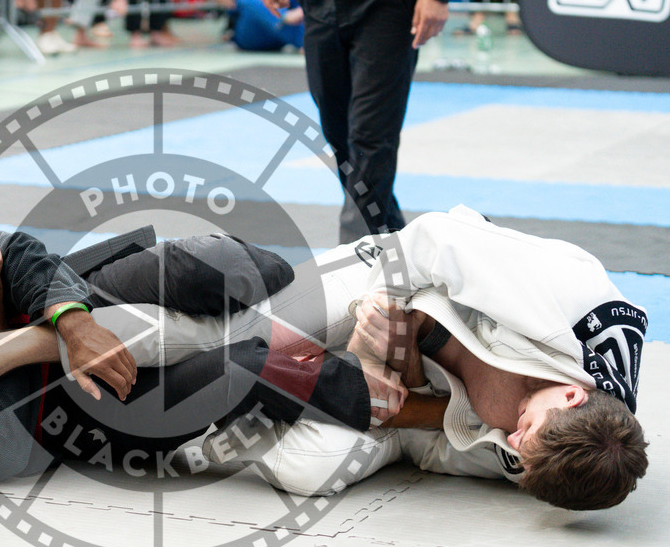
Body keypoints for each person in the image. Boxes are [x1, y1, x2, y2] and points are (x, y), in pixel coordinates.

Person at [0, 230, 402, 485]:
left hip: (77, 302)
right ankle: (410, 402)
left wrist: (70, 320)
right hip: (75, 413)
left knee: (226, 266)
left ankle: (354, 306)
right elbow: (0, 452)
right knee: (253, 370)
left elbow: (20, 251)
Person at [200, 206, 648, 510]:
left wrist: (396, 393)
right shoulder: (576, 305)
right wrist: (377, 322)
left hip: (412, 383)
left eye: (519, 450)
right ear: (572, 394)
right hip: (390, 278)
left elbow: (434, 450)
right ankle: (169, 336)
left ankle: (224, 410)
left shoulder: (542, 460)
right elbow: (433, 237)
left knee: (314, 470)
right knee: (244, 338)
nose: (512, 440)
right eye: (525, 430)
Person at [254, 0, 451, 243]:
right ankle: (393, 237)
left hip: (388, 0)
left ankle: (356, 253)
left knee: (370, 134)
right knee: (338, 131)